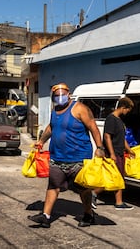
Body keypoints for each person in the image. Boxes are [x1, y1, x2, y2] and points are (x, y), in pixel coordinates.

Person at [27, 83, 105, 228]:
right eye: (57, 96)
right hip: (57, 157)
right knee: (53, 186)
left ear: (68, 94)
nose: (60, 98)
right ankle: (45, 216)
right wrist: (41, 141)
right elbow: (51, 126)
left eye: (62, 94)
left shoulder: (79, 108)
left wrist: (99, 148)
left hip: (79, 158)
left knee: (83, 189)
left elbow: (93, 127)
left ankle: (89, 214)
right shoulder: (55, 110)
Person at [91, 97, 135, 210]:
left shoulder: (119, 120)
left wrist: (129, 149)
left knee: (118, 177)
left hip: (119, 152)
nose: (127, 112)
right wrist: (112, 154)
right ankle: (94, 193)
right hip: (113, 152)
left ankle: (119, 202)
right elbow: (107, 136)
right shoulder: (111, 119)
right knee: (112, 177)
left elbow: (122, 138)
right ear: (123, 107)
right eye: (127, 110)